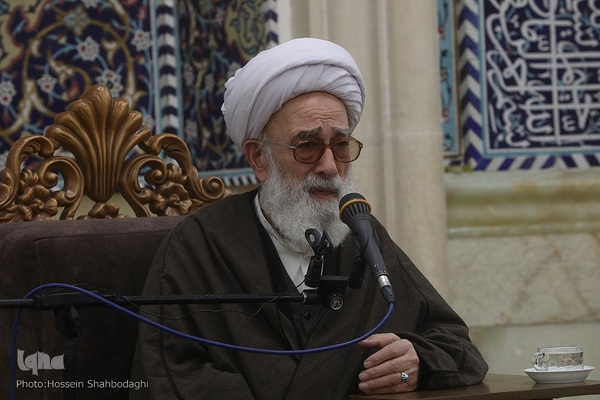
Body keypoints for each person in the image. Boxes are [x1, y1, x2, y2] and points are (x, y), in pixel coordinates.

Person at [130, 37, 488, 400]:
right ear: (259, 158)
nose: (329, 166)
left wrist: (417, 361)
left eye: (341, 145)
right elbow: (165, 377)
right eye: (307, 145)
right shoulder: (198, 247)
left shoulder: (362, 235)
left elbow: (458, 347)